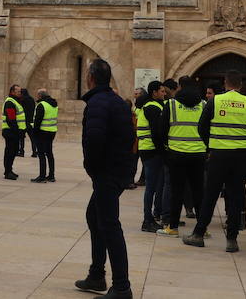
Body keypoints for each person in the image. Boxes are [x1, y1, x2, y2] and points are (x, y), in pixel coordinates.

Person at [74, 58, 133, 299]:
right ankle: (96, 275)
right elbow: (130, 136)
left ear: (90, 77)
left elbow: (94, 139)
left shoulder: (97, 103)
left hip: (107, 172)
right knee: (94, 215)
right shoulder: (118, 102)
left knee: (109, 224)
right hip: (117, 170)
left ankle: (121, 286)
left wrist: (93, 168)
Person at [185, 71, 246, 252]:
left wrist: (210, 145)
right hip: (240, 157)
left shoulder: (216, 101)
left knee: (211, 195)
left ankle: (198, 234)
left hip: (219, 155)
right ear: (240, 84)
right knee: (236, 195)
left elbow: (202, 126)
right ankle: (232, 240)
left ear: (225, 83)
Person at [161, 76, 207, 238]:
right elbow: (209, 128)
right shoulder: (203, 105)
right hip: (198, 154)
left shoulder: (172, 104)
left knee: (176, 191)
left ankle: (173, 227)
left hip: (176, 154)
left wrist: (166, 150)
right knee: (198, 192)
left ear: (180, 87)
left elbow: (162, 129)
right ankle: (202, 228)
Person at [137, 79, 168, 233]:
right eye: (162, 91)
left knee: (154, 186)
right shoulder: (152, 107)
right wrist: (163, 151)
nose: (164, 93)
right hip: (151, 151)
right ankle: (147, 220)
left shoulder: (152, 105)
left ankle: (150, 218)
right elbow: (156, 133)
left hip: (149, 150)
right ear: (154, 92)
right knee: (151, 187)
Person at [32, 87, 58, 183]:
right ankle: (51, 175)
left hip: (42, 132)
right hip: (52, 131)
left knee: (41, 154)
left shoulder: (41, 105)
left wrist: (34, 133)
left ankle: (42, 176)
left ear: (40, 95)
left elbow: (37, 122)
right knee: (49, 153)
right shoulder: (54, 104)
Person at [2, 83, 27, 181]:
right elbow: (11, 119)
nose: (20, 93)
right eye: (18, 91)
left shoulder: (16, 101)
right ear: (12, 92)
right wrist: (17, 131)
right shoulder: (10, 102)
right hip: (11, 132)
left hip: (15, 132)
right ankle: (7, 172)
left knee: (13, 151)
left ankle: (9, 170)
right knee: (9, 152)